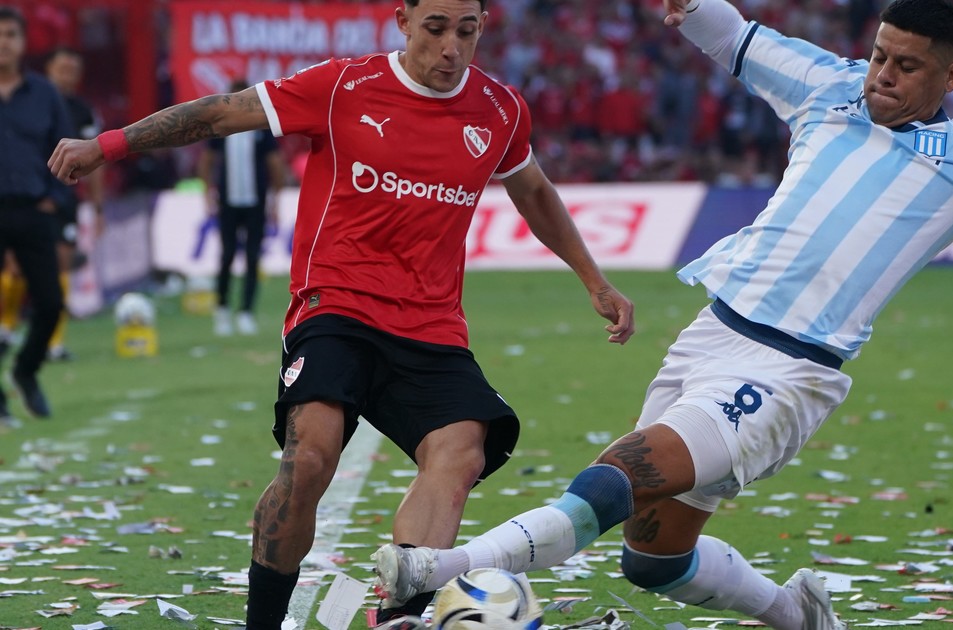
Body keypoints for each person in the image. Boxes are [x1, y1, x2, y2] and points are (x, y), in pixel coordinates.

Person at [366, 0, 953, 629]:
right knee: (653, 561)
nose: (882, 74)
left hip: (788, 371)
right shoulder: (827, 86)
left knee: (617, 477)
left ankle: (440, 570)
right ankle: (796, 614)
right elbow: (727, 32)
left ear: (950, 78)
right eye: (880, 55)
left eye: (907, 66)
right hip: (710, 336)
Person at [48, 0, 635, 627]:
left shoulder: (500, 109)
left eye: (466, 31)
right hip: (335, 308)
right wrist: (107, 145)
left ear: (482, 27)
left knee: (461, 449)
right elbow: (220, 113)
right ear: (403, 21)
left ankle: (402, 613)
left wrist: (594, 279)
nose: (451, 48)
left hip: (431, 326)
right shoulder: (341, 87)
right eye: (435, 28)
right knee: (309, 459)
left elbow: (534, 190)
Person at [0, 6, 72, 424]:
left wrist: (54, 198)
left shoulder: (45, 94)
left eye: (11, 34)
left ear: (23, 42)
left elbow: (66, 147)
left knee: (50, 303)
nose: (3, 42)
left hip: (34, 209)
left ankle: (25, 370)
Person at [195, 79, 286, 337]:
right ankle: (222, 309)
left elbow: (275, 164)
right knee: (226, 256)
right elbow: (206, 161)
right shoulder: (222, 128)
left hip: (256, 202)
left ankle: (246, 311)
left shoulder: (261, 128)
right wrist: (207, 192)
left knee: (253, 257)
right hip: (228, 201)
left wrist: (276, 199)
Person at [43, 46, 105, 361]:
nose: (68, 76)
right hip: (26, 198)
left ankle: (53, 342)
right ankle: (7, 328)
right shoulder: (30, 104)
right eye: (62, 69)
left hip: (65, 198)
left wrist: (97, 207)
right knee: (14, 267)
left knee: (61, 263)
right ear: (48, 70)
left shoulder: (82, 111)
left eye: (73, 70)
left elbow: (97, 162)